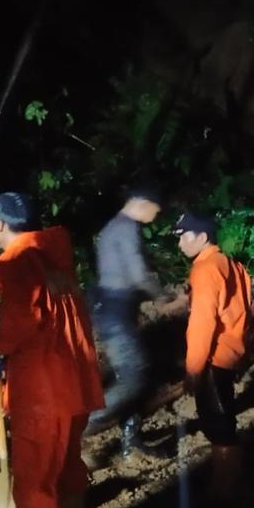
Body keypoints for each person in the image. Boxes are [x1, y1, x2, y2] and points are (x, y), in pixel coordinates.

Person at [0, 192, 104, 508]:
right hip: (76, 383)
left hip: (43, 389)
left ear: (0, 224)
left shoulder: (15, 262)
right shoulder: (54, 254)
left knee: (35, 478)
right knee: (67, 464)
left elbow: (22, 321)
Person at [175, 212, 251, 499]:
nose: (180, 243)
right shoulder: (230, 264)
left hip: (214, 357)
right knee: (223, 420)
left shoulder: (205, 269)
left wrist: (194, 368)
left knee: (218, 424)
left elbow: (202, 323)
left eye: (184, 236)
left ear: (202, 237)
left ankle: (223, 488)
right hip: (231, 351)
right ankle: (226, 484)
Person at [87, 186, 164, 459]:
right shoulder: (127, 227)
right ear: (143, 202)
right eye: (155, 208)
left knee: (136, 375)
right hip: (115, 311)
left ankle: (133, 441)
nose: (156, 215)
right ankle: (81, 428)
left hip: (111, 308)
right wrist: (163, 296)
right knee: (134, 375)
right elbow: (137, 273)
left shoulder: (111, 228)